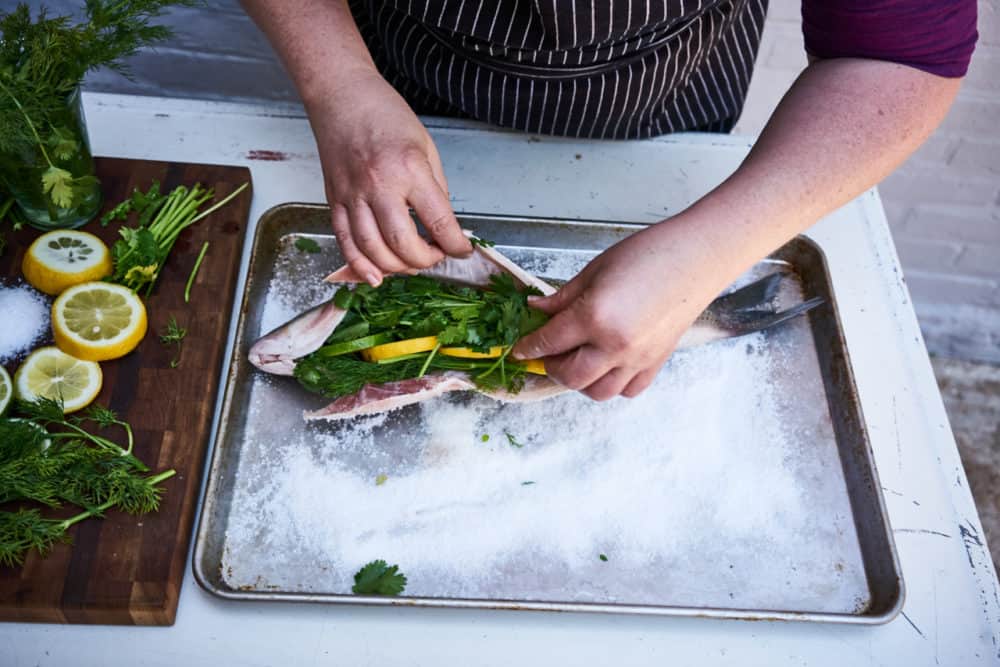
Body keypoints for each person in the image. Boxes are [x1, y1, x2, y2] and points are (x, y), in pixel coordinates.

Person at [241, 0, 977, 400]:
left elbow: (900, 52)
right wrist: (338, 84)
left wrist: (707, 252)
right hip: (392, 69)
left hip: (663, 103)